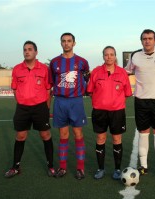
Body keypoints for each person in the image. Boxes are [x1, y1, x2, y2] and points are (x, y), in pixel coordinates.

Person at [125, 29, 155, 178]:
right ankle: (144, 166)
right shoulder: (135, 56)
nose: (147, 41)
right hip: (141, 100)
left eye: (150, 38)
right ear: (141, 41)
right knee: (143, 133)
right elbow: (125, 72)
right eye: (144, 39)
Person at [5, 41, 55, 178]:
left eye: (30, 49)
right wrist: (22, 101)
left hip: (40, 107)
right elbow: (15, 89)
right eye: (25, 49)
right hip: (23, 108)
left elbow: (47, 90)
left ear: (36, 52)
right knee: (20, 136)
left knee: (45, 135)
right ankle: (15, 167)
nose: (27, 51)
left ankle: (51, 166)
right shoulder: (17, 69)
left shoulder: (44, 68)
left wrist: (46, 107)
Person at [87, 46, 132, 180]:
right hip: (99, 112)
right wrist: (101, 102)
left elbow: (127, 93)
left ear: (115, 56)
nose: (109, 57)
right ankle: (100, 169)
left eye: (111, 54)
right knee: (100, 138)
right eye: (106, 55)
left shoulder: (122, 73)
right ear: (103, 56)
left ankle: (117, 169)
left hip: (117, 112)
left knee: (117, 139)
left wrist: (115, 102)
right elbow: (90, 91)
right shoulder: (95, 72)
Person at [49, 32, 90, 180]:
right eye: (64, 41)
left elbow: (86, 76)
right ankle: (63, 167)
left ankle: (80, 168)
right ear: (61, 43)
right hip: (60, 101)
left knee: (78, 134)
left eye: (69, 41)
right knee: (63, 135)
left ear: (74, 43)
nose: (66, 43)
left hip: (76, 101)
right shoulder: (54, 62)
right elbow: (51, 83)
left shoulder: (82, 62)